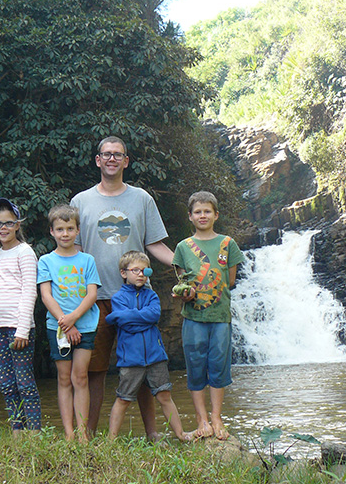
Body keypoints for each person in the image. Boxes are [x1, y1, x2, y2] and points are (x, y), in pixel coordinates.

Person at [70, 136, 174, 439]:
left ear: (126, 161)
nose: (112, 159)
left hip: (139, 299)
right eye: (106, 154)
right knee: (95, 370)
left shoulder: (142, 199)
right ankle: (87, 434)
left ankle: (152, 434)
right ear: (98, 160)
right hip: (96, 298)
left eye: (118, 155)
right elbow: (72, 252)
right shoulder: (81, 201)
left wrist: (184, 263)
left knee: (142, 368)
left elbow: (155, 243)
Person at [172, 191, 244, 440]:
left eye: (207, 211)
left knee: (219, 366)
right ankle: (201, 418)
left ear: (216, 215)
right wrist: (187, 294)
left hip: (220, 317)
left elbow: (231, 279)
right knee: (195, 367)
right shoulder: (183, 247)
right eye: (198, 212)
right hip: (193, 318)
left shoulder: (228, 243)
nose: (203, 215)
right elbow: (182, 283)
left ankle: (216, 416)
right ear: (190, 217)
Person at [107, 251, 191, 441]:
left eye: (145, 270)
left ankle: (181, 434)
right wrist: (127, 318)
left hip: (155, 357)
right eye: (135, 270)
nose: (141, 274)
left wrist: (124, 317)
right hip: (130, 359)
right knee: (123, 399)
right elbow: (123, 321)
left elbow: (153, 315)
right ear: (123, 273)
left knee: (164, 396)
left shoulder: (152, 295)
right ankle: (110, 442)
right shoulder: (118, 298)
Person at [37, 205, 100, 442]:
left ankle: (83, 434)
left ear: (77, 230)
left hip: (85, 326)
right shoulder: (45, 261)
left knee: (80, 377)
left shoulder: (87, 260)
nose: (65, 234)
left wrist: (74, 319)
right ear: (51, 231)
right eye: (60, 229)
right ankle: (69, 434)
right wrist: (67, 324)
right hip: (58, 328)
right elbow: (46, 296)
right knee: (64, 379)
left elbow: (91, 294)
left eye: (70, 229)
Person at [0, 198, 41, 435]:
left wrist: (22, 330)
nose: (3, 228)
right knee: (6, 383)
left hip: (19, 327)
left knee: (25, 381)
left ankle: (35, 432)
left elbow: (30, 290)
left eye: (8, 223)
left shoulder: (25, 252)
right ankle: (16, 430)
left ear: (18, 225)